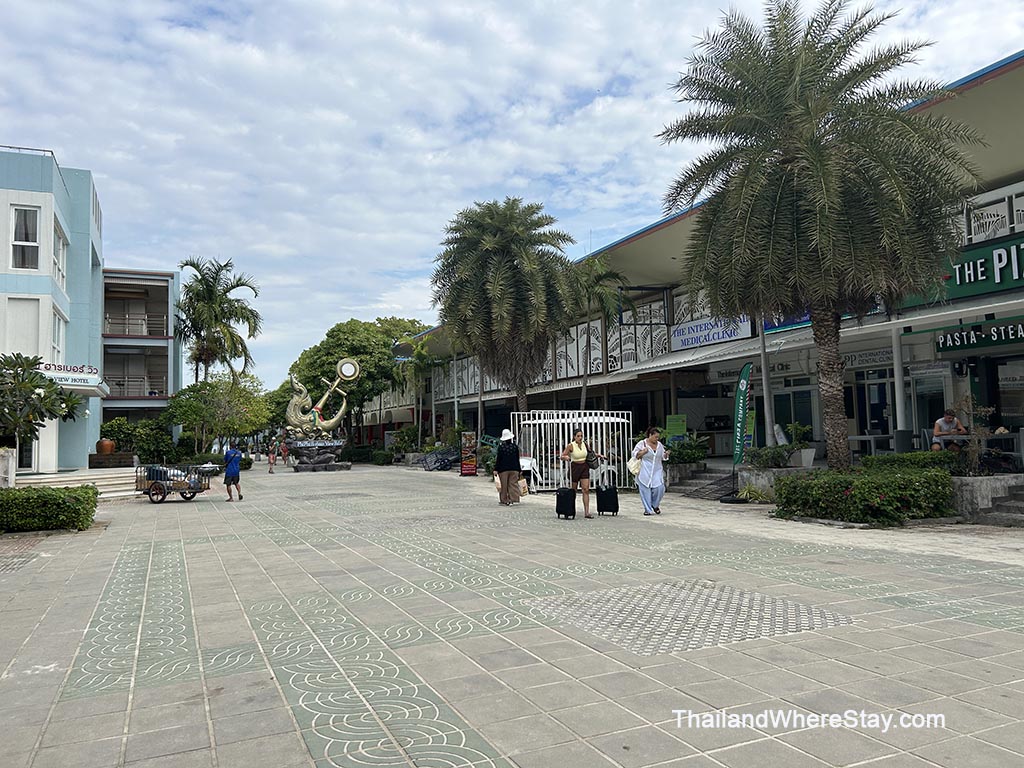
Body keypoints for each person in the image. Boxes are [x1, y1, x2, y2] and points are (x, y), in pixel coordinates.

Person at [560, 429, 605, 519]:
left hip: (584, 466)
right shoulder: (571, 445)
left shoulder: (585, 444)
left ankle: (587, 512)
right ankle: (571, 509)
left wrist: (598, 455)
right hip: (575, 467)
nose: (580, 438)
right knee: (574, 490)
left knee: (586, 489)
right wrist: (566, 457)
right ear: (574, 437)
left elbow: (590, 453)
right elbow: (562, 455)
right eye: (578, 436)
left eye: (581, 436)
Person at [633, 427, 671, 516]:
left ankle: (655, 504)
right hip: (644, 470)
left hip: (657, 471)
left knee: (660, 488)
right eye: (655, 437)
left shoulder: (660, 445)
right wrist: (643, 452)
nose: (657, 439)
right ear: (650, 435)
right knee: (645, 491)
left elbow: (663, 457)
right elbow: (635, 455)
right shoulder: (642, 444)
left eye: (658, 437)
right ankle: (648, 509)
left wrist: (666, 454)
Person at [494, 429, 522, 506]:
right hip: (514, 469)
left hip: (503, 470)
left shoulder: (501, 447)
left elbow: (499, 459)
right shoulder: (515, 447)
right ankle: (514, 499)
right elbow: (517, 459)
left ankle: (504, 500)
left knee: (504, 485)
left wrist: (496, 469)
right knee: (513, 484)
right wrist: (519, 469)